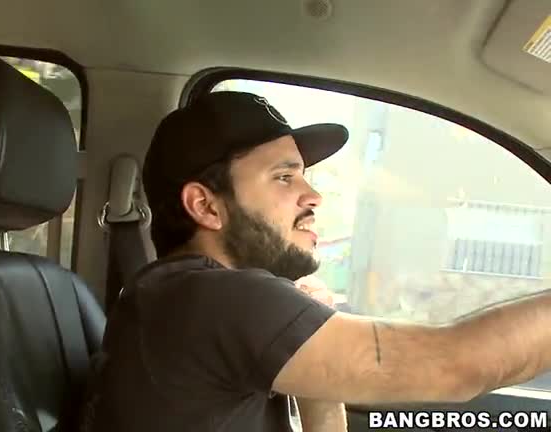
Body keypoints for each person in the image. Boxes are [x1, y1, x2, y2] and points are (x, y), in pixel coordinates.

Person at [79, 91, 551, 432]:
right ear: (206, 206)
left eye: (303, 175)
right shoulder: (214, 299)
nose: (314, 196)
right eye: (284, 178)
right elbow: (457, 366)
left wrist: (315, 344)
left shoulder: (175, 296)